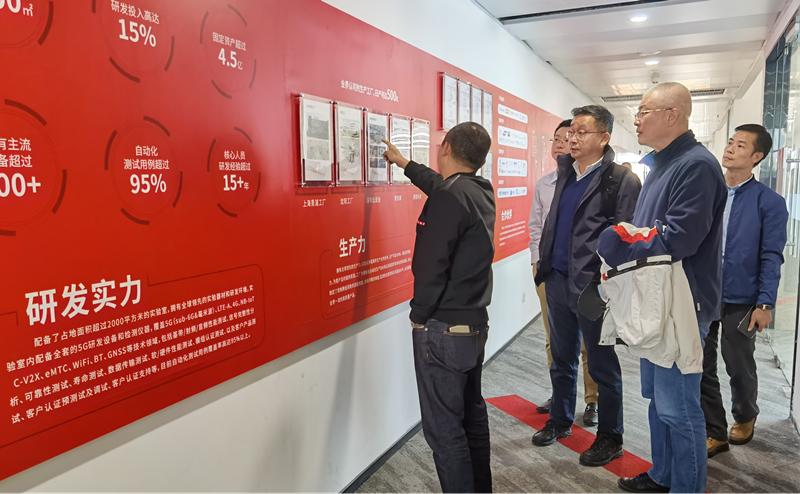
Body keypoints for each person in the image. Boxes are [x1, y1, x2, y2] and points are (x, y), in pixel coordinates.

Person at [618, 82, 726, 494]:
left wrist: (624, 240)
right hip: (656, 302)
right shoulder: (662, 164)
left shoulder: (696, 166)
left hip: (682, 305)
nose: (637, 120)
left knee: (679, 409)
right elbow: (651, 231)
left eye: (644, 111)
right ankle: (663, 475)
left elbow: (679, 238)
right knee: (659, 403)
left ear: (672, 115)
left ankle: (686, 487)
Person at [382, 122, 495, 493]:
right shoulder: (477, 190)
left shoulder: (451, 197)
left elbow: (430, 267)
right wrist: (405, 164)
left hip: (443, 329)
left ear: (445, 147)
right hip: (473, 326)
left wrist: (418, 316)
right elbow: (441, 186)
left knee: (445, 432)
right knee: (471, 418)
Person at [533, 105, 640, 466]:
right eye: (571, 132)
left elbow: (626, 237)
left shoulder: (620, 180)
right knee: (561, 357)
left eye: (582, 132)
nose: (572, 138)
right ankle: (560, 419)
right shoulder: (565, 173)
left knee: (601, 364)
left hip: (595, 287)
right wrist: (544, 268)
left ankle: (610, 437)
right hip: (558, 280)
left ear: (604, 138)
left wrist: (603, 282)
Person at [702, 124, 788, 458]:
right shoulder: (710, 193)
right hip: (705, 292)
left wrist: (765, 303)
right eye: (730, 142)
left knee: (738, 364)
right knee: (702, 363)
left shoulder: (769, 202)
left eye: (741, 145)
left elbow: (771, 255)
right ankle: (714, 429)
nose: (730, 149)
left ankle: (745, 414)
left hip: (742, 297)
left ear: (756, 157)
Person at [528, 119, 599, 426]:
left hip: (582, 277)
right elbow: (535, 226)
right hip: (550, 272)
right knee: (554, 340)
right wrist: (536, 262)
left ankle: (592, 399)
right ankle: (560, 397)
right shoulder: (544, 184)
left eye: (567, 137)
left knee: (587, 345)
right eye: (556, 138)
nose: (560, 143)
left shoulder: (588, 182)